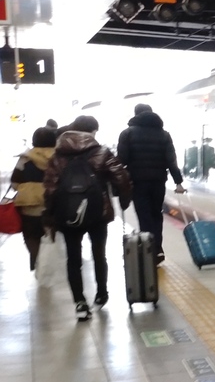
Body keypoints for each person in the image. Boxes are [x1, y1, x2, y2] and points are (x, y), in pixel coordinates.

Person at [43, 115, 132, 321]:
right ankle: (101, 293)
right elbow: (122, 178)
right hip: (97, 212)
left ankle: (80, 303)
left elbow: (49, 189)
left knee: (73, 258)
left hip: (67, 214)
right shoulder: (101, 152)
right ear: (92, 132)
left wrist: (50, 214)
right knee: (99, 254)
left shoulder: (57, 157)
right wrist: (124, 200)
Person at [116, 103, 185, 262]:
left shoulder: (127, 134)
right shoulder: (164, 135)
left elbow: (121, 160)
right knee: (156, 214)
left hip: (138, 181)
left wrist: (117, 181)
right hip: (158, 181)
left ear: (135, 114)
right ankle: (157, 248)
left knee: (144, 215)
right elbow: (171, 161)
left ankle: (150, 250)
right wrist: (178, 182)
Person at [10, 126, 57, 270]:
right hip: (53, 207)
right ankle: (51, 268)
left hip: (29, 208)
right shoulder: (59, 158)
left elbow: (15, 183)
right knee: (54, 240)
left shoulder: (25, 159)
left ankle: (36, 267)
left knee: (32, 239)